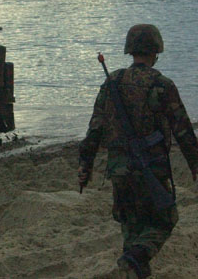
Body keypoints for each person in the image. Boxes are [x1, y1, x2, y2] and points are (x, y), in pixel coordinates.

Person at [78, 24, 198, 278]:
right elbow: (184, 132)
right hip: (150, 168)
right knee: (165, 219)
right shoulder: (162, 85)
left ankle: (134, 265)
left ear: (130, 51)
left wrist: (84, 167)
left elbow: (94, 131)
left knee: (131, 228)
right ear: (156, 51)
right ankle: (136, 257)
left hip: (119, 170)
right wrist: (195, 167)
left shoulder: (112, 82)